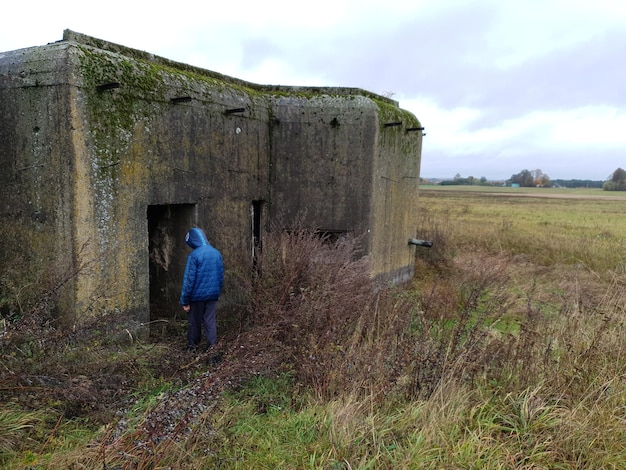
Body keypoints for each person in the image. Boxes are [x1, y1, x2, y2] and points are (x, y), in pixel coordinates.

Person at [180, 227, 224, 353]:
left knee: (195, 322)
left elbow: (189, 280)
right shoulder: (216, 253)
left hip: (196, 297)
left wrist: (185, 300)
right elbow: (220, 276)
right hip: (212, 295)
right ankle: (212, 348)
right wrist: (217, 292)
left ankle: (192, 347)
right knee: (210, 322)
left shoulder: (194, 256)